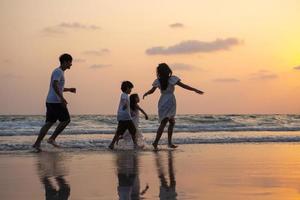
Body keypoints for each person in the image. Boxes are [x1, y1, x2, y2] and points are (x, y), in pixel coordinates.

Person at [143, 63, 204, 150]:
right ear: (167, 70)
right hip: (170, 101)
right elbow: (184, 86)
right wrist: (195, 90)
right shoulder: (172, 79)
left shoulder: (158, 81)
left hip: (162, 101)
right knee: (166, 122)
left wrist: (146, 93)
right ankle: (160, 142)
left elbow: (152, 91)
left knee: (170, 122)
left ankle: (164, 143)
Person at [32, 53, 76, 152]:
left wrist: (68, 89)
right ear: (65, 62)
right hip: (56, 101)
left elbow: (58, 87)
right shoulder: (58, 72)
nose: (71, 64)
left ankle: (37, 144)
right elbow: (54, 85)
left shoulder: (59, 72)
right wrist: (61, 98)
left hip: (50, 100)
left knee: (49, 123)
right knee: (66, 120)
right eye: (70, 62)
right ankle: (52, 139)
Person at [109, 81, 137, 150]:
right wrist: (125, 105)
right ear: (127, 88)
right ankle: (135, 145)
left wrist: (130, 112)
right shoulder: (124, 95)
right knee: (133, 130)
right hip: (125, 117)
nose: (131, 90)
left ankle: (112, 144)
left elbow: (126, 106)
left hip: (124, 116)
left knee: (119, 131)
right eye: (130, 88)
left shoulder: (125, 95)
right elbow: (124, 103)